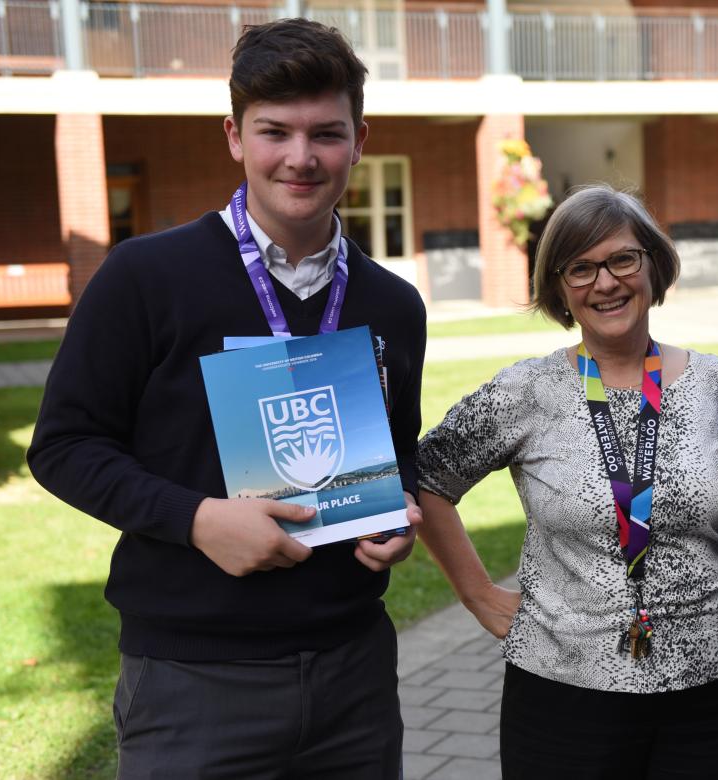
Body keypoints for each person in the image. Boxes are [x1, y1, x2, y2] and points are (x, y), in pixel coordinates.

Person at [27, 18, 425, 778]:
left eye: (326, 134)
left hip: (355, 676)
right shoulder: (145, 277)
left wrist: (395, 523)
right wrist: (199, 519)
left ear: (361, 138)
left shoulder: (393, 304)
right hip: (192, 683)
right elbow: (63, 447)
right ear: (235, 137)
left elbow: (396, 453)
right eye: (275, 131)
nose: (301, 158)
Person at [416, 184, 718, 779]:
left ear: (653, 265)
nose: (604, 283)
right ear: (558, 286)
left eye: (622, 259)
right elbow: (427, 477)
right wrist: (477, 594)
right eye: (580, 268)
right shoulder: (526, 392)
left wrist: (696, 524)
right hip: (563, 694)